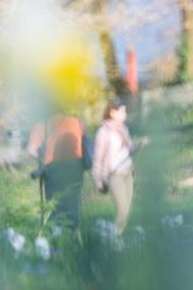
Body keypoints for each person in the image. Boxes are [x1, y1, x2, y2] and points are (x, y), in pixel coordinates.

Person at [91, 100, 149, 235]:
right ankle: (113, 236)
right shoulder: (103, 132)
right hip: (114, 174)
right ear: (112, 112)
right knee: (123, 207)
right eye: (122, 111)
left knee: (127, 208)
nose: (125, 114)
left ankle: (119, 236)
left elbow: (129, 149)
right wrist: (98, 180)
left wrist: (140, 143)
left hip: (127, 171)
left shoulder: (123, 129)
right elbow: (98, 158)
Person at [28, 113, 92, 229]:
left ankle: (56, 238)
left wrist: (43, 154)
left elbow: (32, 150)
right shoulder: (76, 120)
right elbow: (85, 142)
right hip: (75, 168)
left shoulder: (44, 123)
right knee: (73, 204)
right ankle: (72, 237)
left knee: (55, 206)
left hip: (54, 170)